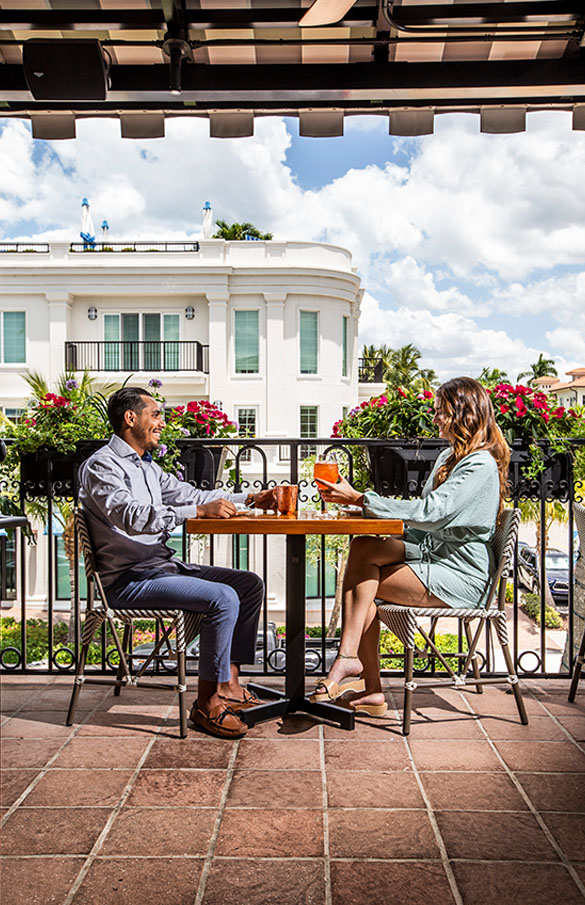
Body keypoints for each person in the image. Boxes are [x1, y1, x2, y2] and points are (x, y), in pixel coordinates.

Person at [78, 386, 275, 739]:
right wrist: (197, 512)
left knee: (247, 585)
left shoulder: (148, 469)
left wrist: (250, 498)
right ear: (130, 418)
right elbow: (130, 515)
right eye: (155, 415)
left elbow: (195, 495)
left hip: (160, 567)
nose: (161, 423)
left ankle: (228, 684)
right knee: (222, 598)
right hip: (128, 580)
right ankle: (206, 704)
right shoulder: (101, 466)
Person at [310, 376, 510, 717]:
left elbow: (432, 514)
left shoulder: (480, 464)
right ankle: (362, 679)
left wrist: (362, 498)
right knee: (364, 548)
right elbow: (424, 524)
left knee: (363, 587)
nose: (435, 419)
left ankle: (351, 664)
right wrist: (361, 508)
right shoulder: (451, 457)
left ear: (463, 414)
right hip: (435, 555)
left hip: (462, 574)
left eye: (441, 413)